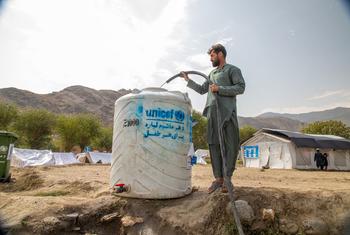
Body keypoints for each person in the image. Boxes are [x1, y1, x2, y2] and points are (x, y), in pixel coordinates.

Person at [181, 43, 245, 193]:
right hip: (212, 113)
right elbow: (203, 90)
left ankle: (228, 179)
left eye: (212, 55)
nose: (210, 59)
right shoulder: (211, 74)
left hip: (227, 113)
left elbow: (241, 87)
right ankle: (218, 179)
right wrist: (188, 80)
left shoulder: (232, 70)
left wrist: (220, 89)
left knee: (230, 145)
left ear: (220, 54)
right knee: (214, 145)